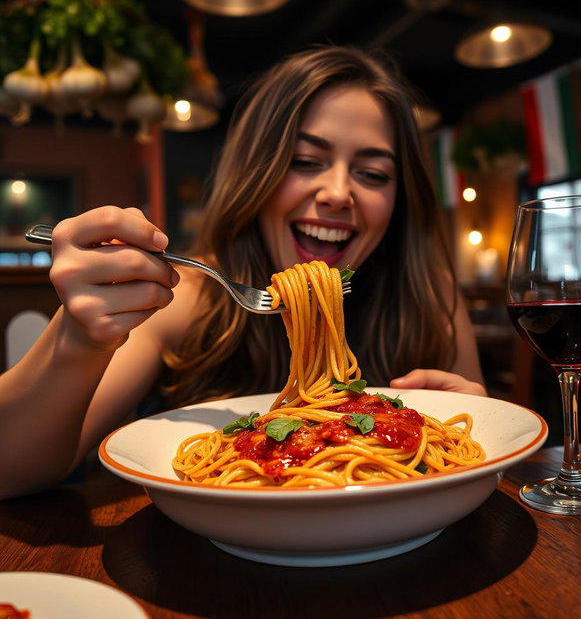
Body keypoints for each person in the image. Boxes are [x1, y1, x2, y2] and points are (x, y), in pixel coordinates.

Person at [0, 45, 485, 500]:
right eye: (304, 161)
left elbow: (474, 444)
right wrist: (79, 337)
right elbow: (12, 469)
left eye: (373, 174)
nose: (338, 192)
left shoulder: (430, 294)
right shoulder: (185, 296)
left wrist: (474, 415)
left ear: (400, 200)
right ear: (255, 174)